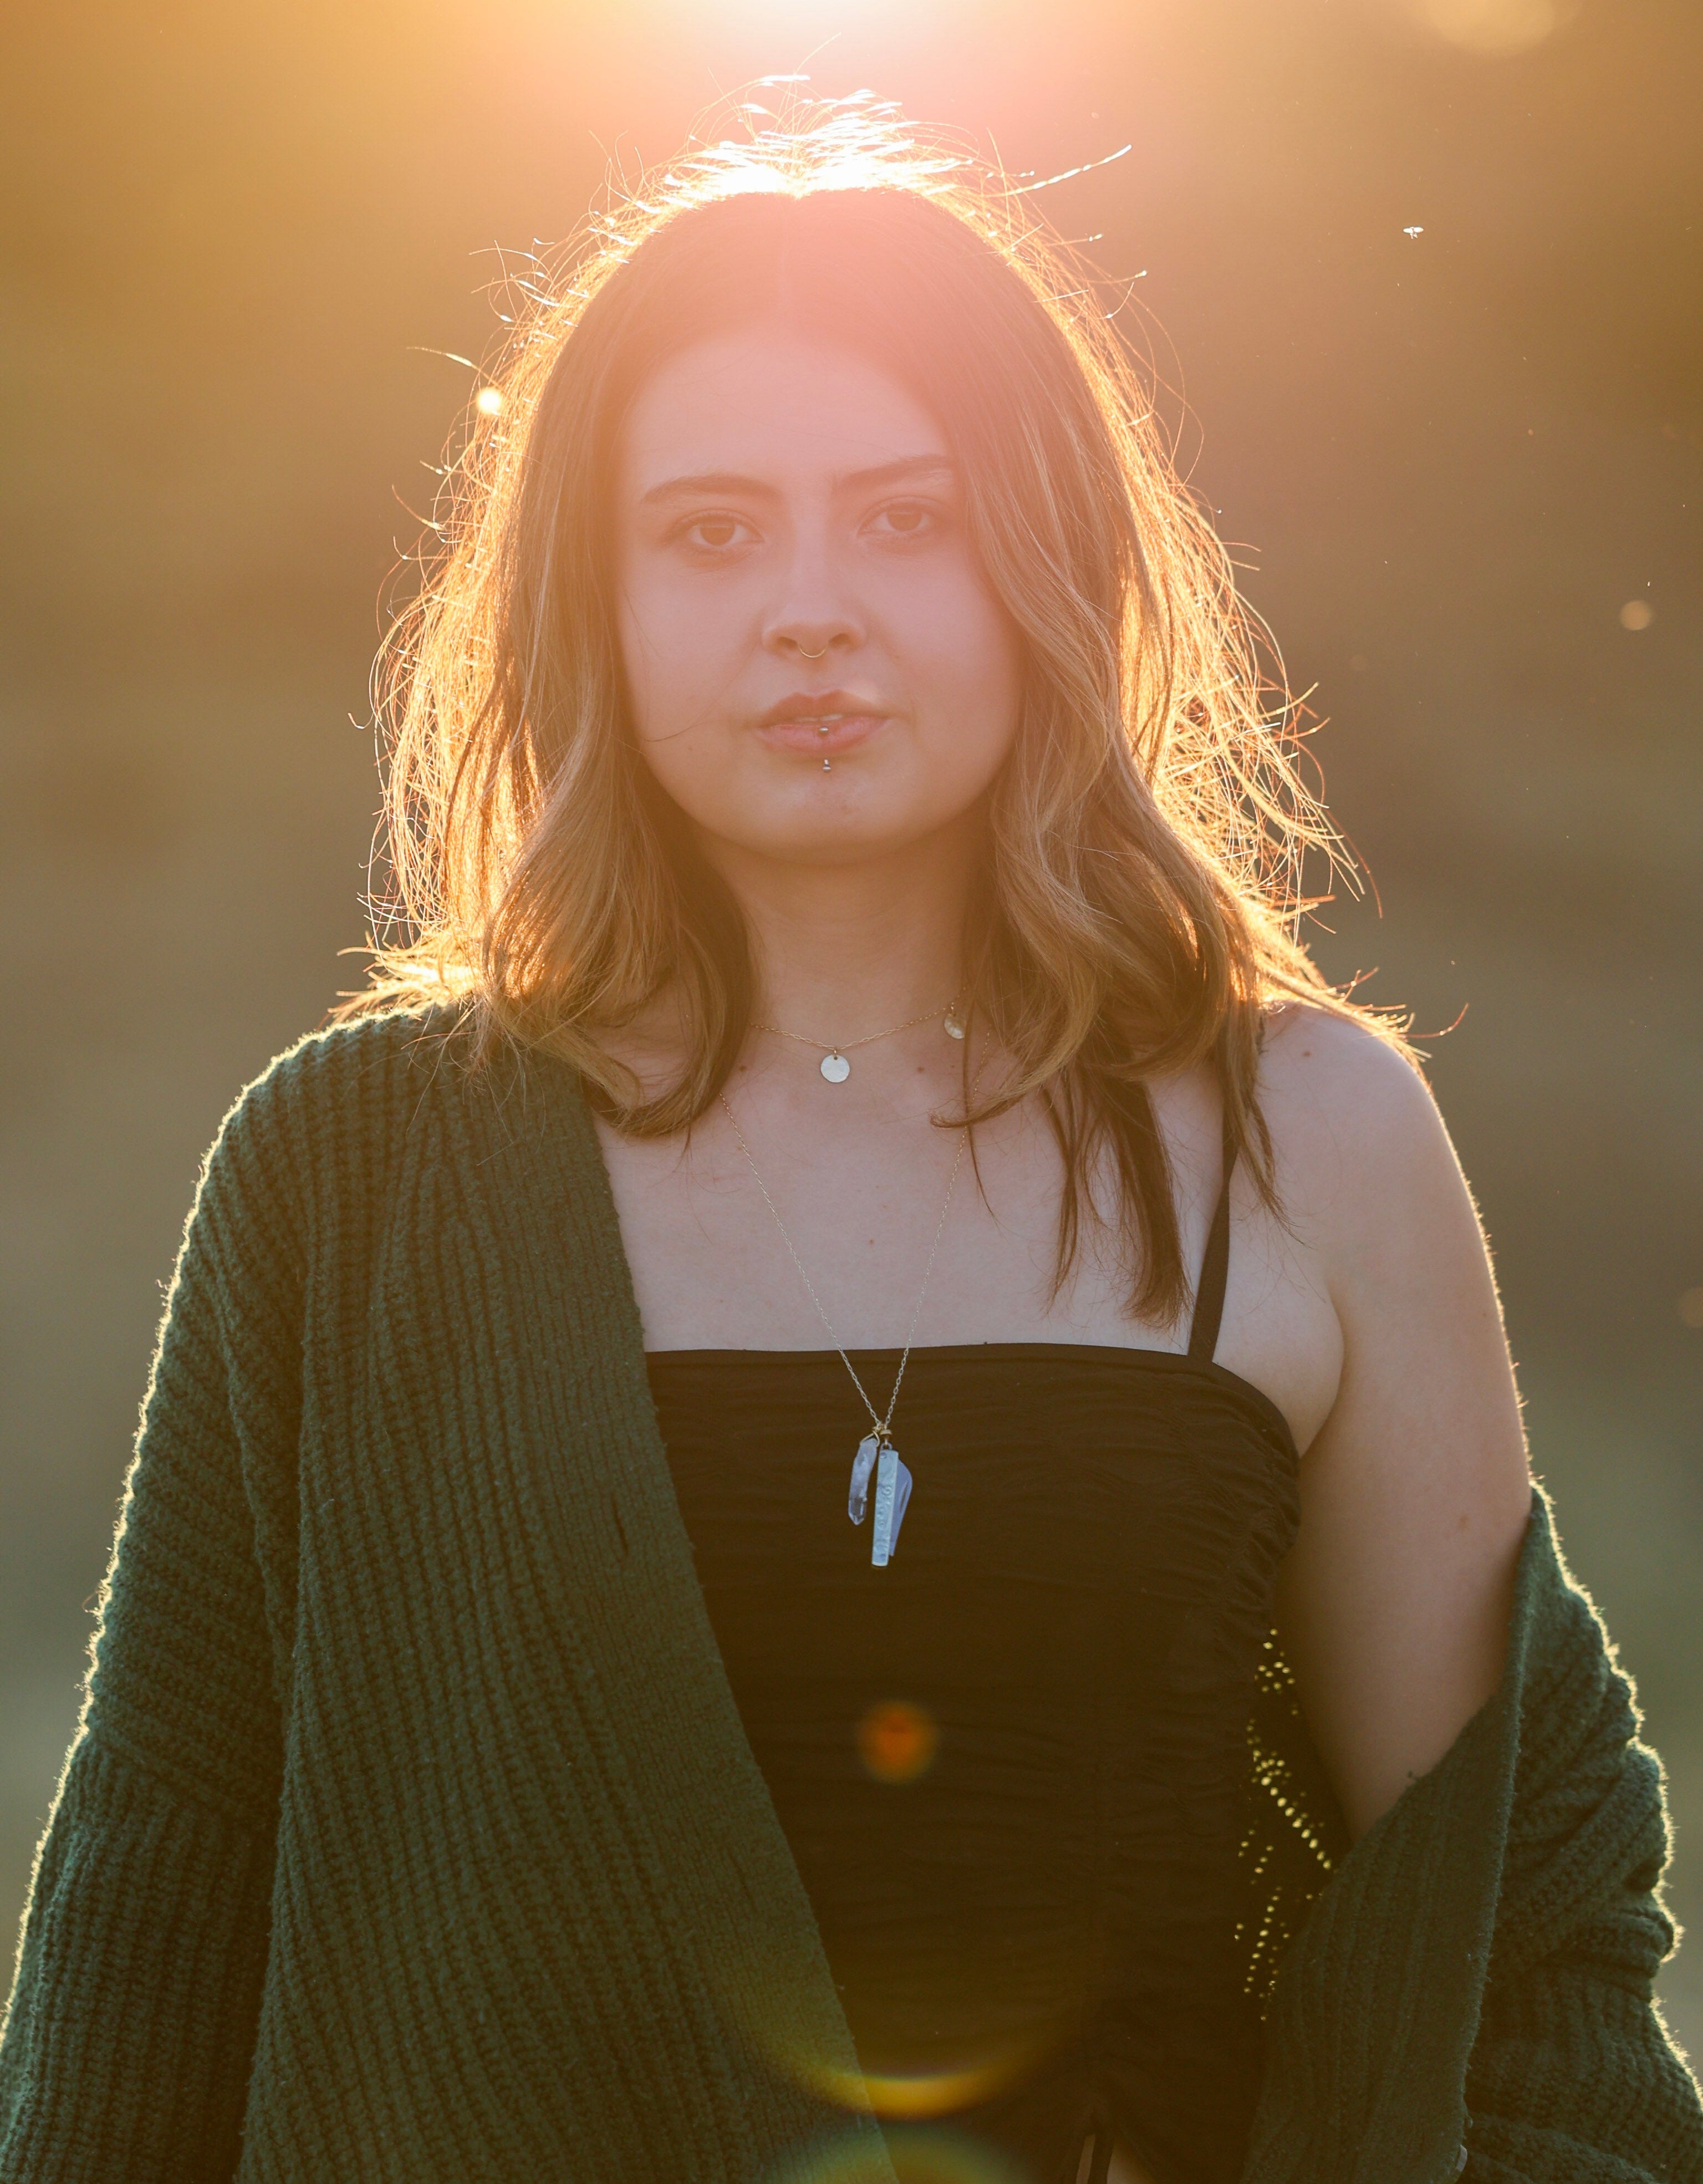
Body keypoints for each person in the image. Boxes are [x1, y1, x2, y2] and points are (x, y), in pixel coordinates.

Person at [2, 99, 1698, 2184]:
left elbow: (1517, 1925)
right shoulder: (349, 1174)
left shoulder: (1309, 1139)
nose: (811, 607)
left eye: (909, 517)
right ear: (592, 603)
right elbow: (154, 1927)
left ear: (1046, 564)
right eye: (710, 532)